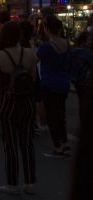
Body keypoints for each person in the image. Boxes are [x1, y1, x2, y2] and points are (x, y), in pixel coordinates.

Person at [0, 21, 39, 194]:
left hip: (8, 102)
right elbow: (33, 78)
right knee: (27, 143)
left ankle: (12, 183)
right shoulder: (30, 53)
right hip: (27, 102)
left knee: (10, 144)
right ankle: (30, 182)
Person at [36, 15, 72, 158]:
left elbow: (34, 60)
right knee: (61, 114)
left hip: (49, 84)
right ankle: (65, 143)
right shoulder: (67, 44)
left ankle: (58, 147)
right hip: (64, 83)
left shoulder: (46, 47)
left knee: (52, 116)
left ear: (46, 29)